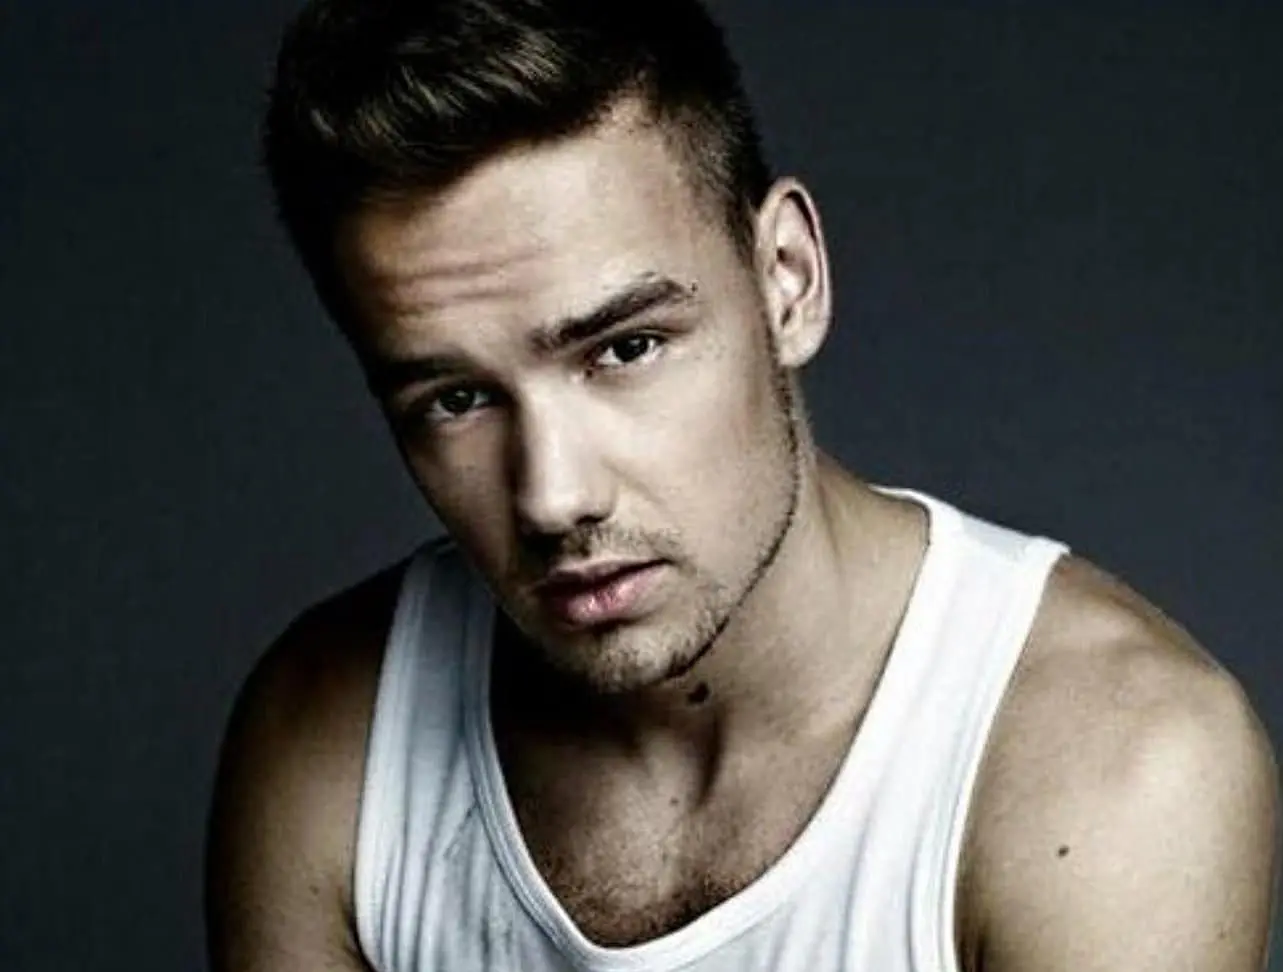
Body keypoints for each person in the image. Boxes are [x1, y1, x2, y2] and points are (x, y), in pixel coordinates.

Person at [205, 1, 1278, 969]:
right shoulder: (333, 735)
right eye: (454, 400)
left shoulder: (1111, 770)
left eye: (624, 348)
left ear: (786, 281)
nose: (553, 497)